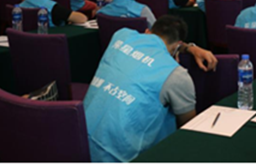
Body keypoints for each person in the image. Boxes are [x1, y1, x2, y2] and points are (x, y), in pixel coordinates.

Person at [83, 15, 218, 162]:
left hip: (80, 141)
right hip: (122, 157)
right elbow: (188, 125)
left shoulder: (121, 36)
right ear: (176, 47)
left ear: (148, 31)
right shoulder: (176, 74)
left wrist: (189, 48)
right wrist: (186, 48)